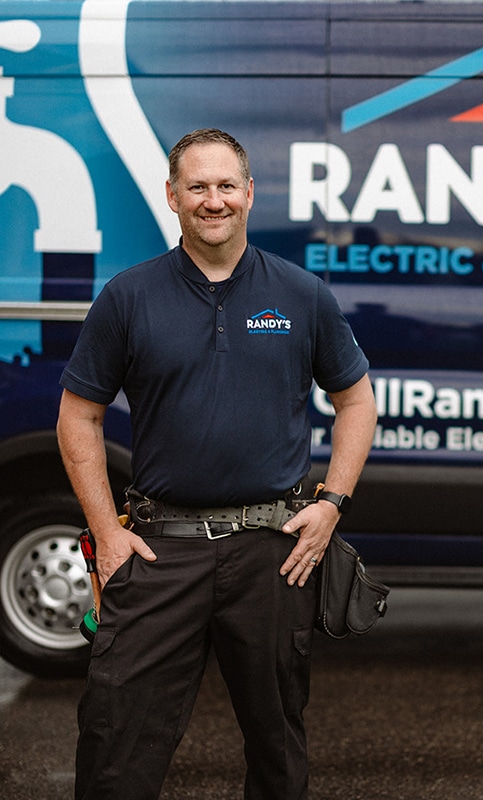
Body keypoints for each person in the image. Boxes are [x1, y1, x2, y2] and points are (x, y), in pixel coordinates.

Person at [56, 128, 377, 800]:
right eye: (197, 187)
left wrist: (331, 505)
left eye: (226, 185)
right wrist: (107, 534)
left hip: (271, 552)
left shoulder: (300, 294)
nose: (213, 200)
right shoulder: (128, 296)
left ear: (250, 194)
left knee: (277, 747)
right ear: (172, 197)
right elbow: (77, 417)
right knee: (115, 741)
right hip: (157, 550)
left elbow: (356, 401)